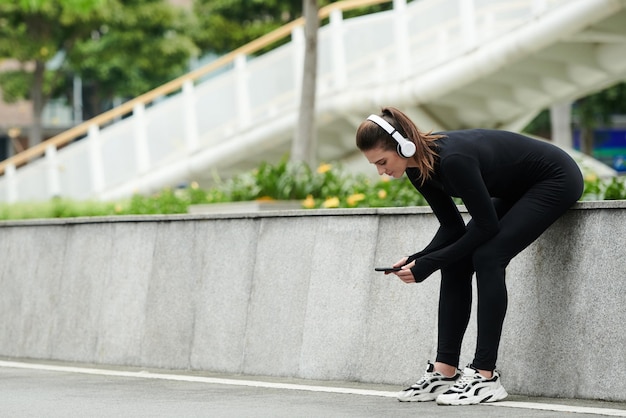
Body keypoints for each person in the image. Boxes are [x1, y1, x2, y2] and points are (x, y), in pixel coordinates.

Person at [356, 107, 584, 406]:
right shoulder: (417, 169)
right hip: (517, 189)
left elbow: (486, 227)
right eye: (375, 165)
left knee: (489, 256)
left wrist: (428, 264)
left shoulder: (454, 160)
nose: (381, 171)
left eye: (383, 162)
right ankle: (445, 371)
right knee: (456, 261)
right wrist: (419, 257)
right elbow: (452, 227)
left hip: (555, 178)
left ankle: (485, 376)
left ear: (404, 146)